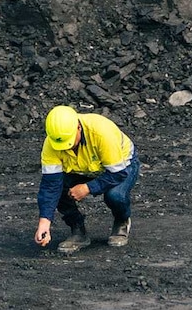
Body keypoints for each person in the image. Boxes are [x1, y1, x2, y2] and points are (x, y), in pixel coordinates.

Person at [33, 105, 141, 253]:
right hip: (83, 168)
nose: (66, 148)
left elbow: (118, 173)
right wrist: (44, 222)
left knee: (115, 196)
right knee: (59, 190)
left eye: (69, 142)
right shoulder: (52, 143)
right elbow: (50, 185)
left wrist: (87, 188)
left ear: (78, 127)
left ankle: (122, 220)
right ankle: (77, 230)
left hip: (121, 166)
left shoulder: (102, 133)